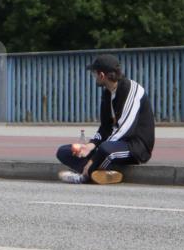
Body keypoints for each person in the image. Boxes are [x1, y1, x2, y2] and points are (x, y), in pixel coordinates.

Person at [56, 54, 155, 185]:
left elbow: (125, 130)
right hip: (112, 144)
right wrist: (90, 146)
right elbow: (105, 127)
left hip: (135, 147)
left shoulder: (131, 89)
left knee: (105, 149)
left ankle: (84, 175)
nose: (94, 77)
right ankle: (101, 172)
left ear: (102, 75)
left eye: (94, 74)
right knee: (65, 151)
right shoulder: (107, 93)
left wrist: (96, 152)